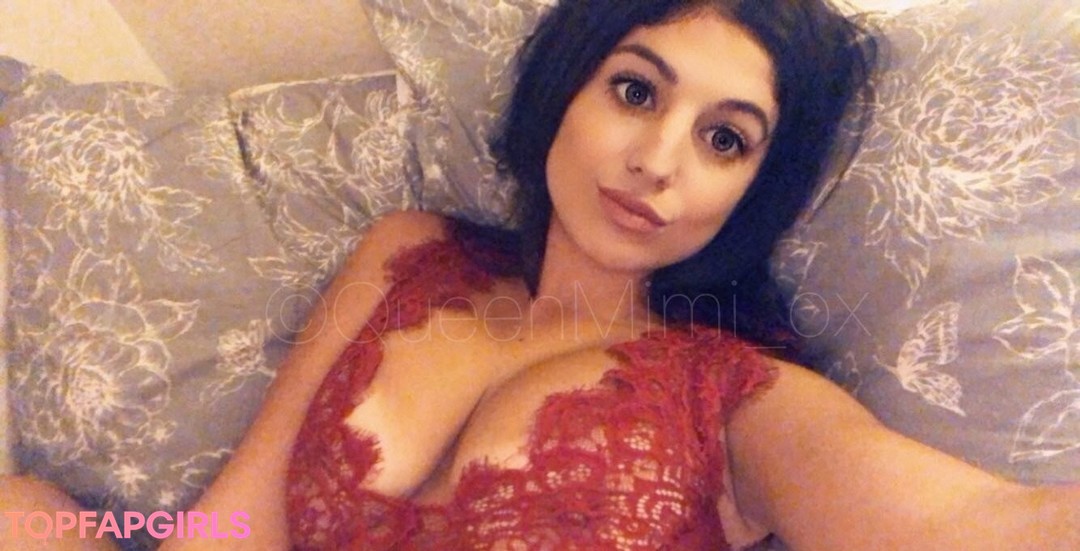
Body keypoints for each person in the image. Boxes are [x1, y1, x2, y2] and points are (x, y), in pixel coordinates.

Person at [3, 1, 1077, 549]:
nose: (657, 161)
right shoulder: (410, 253)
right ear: (567, 89)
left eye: (725, 139)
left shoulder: (734, 393)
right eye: (637, 91)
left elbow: (968, 524)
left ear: (753, 190)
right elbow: (236, 527)